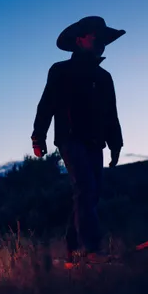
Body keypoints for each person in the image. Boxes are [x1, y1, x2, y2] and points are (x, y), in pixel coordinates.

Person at [31, 16, 125, 268]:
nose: (101, 43)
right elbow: (46, 105)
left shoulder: (104, 77)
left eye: (103, 39)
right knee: (85, 187)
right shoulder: (60, 71)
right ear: (80, 39)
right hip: (70, 139)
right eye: (96, 37)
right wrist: (38, 136)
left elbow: (111, 114)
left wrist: (116, 144)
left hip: (96, 142)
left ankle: (72, 249)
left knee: (90, 194)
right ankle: (91, 248)